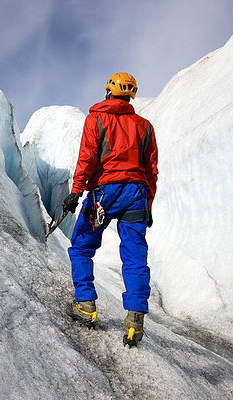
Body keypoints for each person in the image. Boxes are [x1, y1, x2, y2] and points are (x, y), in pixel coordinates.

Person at [63, 72, 158, 345]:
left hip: (104, 193)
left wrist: (76, 190)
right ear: (130, 96)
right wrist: (148, 204)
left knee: (81, 246)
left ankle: (85, 305)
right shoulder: (145, 126)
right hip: (136, 194)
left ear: (108, 92)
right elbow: (151, 170)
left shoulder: (95, 119)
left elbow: (87, 158)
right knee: (135, 256)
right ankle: (135, 319)